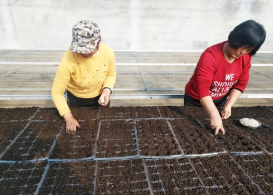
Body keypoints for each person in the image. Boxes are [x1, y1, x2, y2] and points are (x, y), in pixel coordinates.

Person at [184, 20, 266, 135]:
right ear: (235, 38)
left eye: (249, 49)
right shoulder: (211, 56)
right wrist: (214, 114)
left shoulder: (245, 58)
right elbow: (202, 88)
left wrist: (228, 105)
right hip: (196, 100)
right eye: (242, 47)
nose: (243, 52)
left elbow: (241, 84)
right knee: (192, 131)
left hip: (220, 100)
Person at [51, 20, 116, 134]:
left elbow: (110, 74)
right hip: (77, 99)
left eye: (87, 50)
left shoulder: (108, 52)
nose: (83, 53)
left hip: (100, 95)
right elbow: (56, 92)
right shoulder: (68, 59)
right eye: (79, 49)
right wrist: (69, 118)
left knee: (103, 130)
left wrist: (107, 90)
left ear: (98, 42)